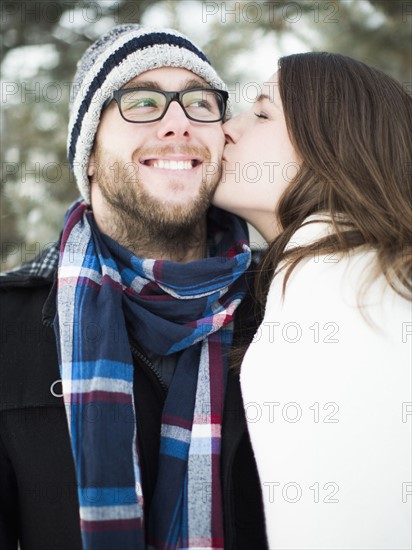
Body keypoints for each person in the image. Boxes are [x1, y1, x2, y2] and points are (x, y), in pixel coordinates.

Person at [0, 25, 267, 550]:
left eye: (199, 102)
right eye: (140, 102)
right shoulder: (9, 326)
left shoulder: (285, 301)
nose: (177, 124)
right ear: (89, 155)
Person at [213, 52, 412, 549]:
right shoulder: (332, 272)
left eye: (261, 112)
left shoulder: (351, 284)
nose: (227, 129)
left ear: (335, 145)